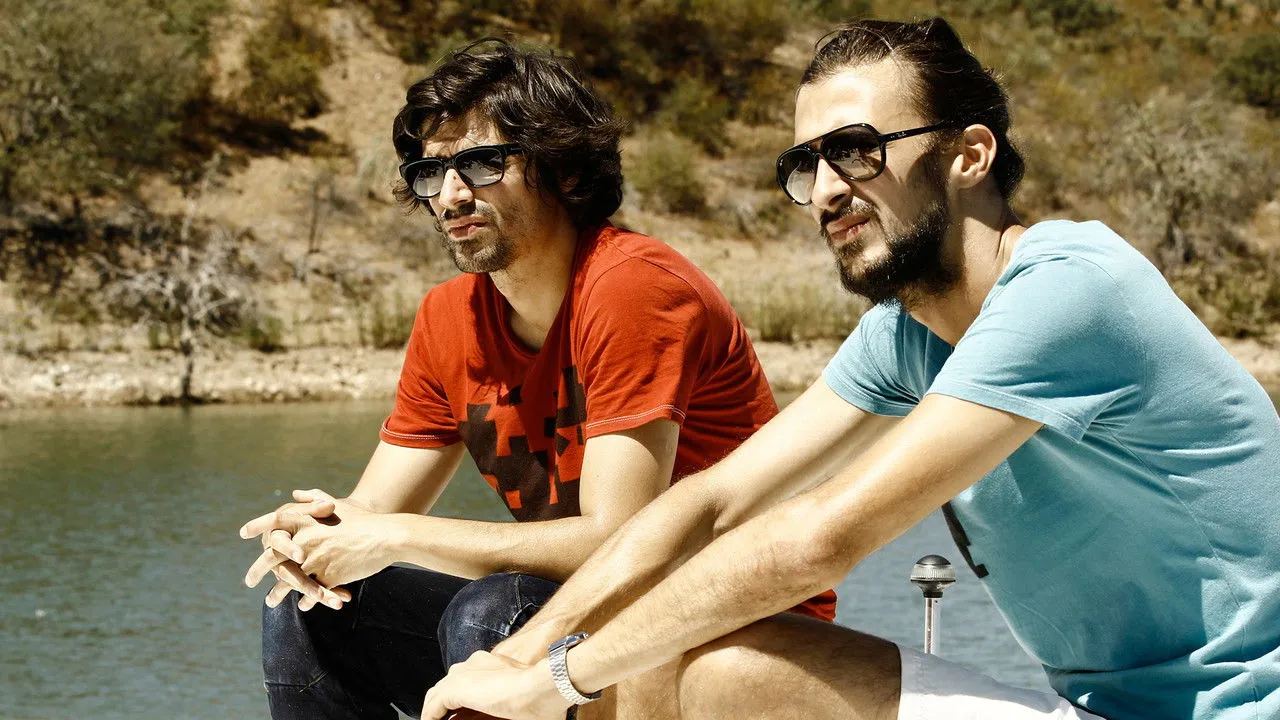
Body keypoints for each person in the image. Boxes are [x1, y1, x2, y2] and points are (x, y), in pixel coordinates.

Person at [421, 18, 1280, 720]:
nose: (828, 188)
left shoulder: (1071, 289)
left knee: (713, 660)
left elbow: (818, 541)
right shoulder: (904, 334)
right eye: (807, 164)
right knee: (683, 648)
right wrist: (524, 654)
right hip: (1089, 710)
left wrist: (558, 678)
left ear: (970, 155)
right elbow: (707, 502)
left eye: (858, 150)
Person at [235, 39, 837, 719]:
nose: (451, 195)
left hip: (726, 634)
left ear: (566, 172)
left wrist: (394, 536)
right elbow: (370, 514)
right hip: (580, 621)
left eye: (481, 164)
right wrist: (317, 537)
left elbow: (618, 540)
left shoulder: (632, 288)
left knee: (498, 609)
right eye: (431, 172)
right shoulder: (447, 318)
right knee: (311, 605)